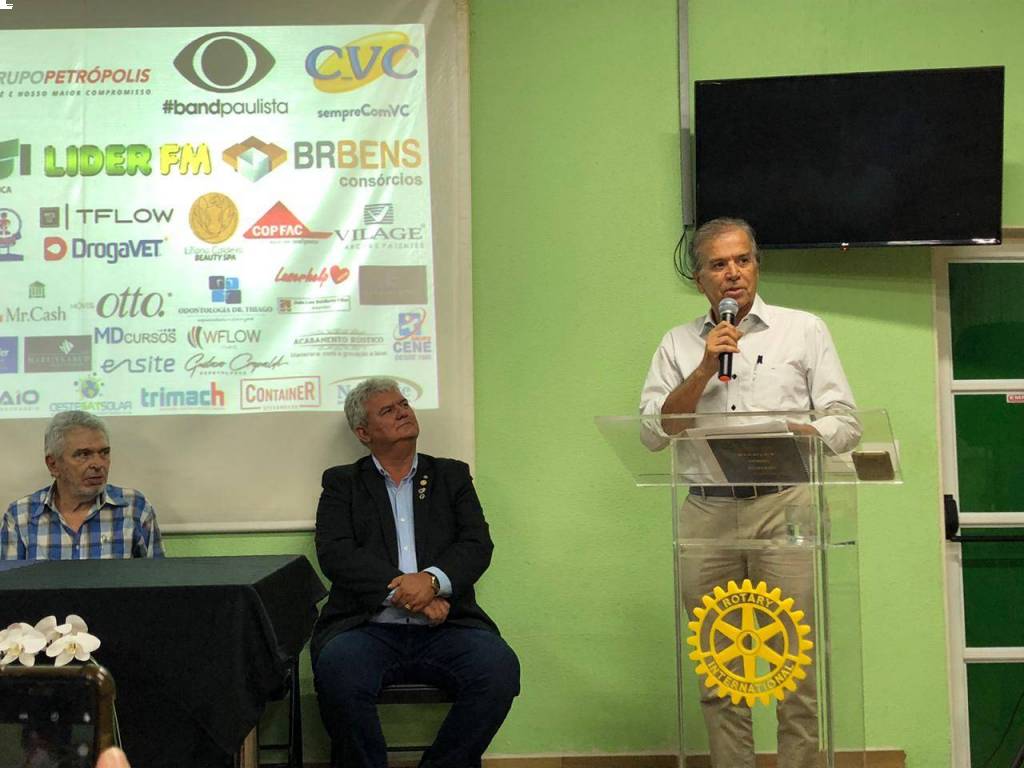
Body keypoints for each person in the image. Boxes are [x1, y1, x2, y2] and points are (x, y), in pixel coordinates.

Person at [639, 218, 859, 768]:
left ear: (757, 266)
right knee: (720, 667)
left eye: (742, 260)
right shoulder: (677, 344)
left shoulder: (803, 330)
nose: (733, 273)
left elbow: (846, 422)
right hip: (707, 513)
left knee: (794, 663)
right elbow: (653, 433)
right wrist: (704, 367)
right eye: (719, 265)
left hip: (785, 505)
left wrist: (802, 432)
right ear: (700, 280)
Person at [312, 377, 520, 768]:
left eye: (404, 403)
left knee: (498, 669)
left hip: (448, 627)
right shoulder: (342, 483)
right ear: (363, 433)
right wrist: (415, 598)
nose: (402, 412)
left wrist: (432, 582)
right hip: (367, 628)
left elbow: (476, 544)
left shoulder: (451, 476)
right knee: (338, 671)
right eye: (387, 410)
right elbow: (336, 554)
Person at [0, 411, 164, 560]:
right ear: (53, 465)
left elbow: (158, 579)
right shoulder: (21, 516)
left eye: (104, 453)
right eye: (84, 455)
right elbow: (10, 582)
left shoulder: (134, 508)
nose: (98, 464)